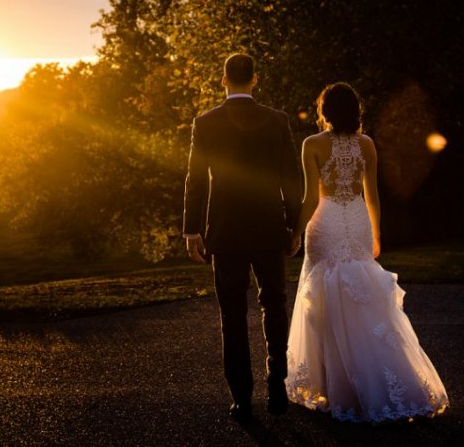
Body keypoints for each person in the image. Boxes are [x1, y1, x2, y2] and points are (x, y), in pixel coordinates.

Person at [286, 82, 449, 423]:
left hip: (326, 221)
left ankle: (334, 388)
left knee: (324, 300)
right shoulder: (367, 144)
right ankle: (376, 384)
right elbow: (372, 197)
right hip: (357, 220)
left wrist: (295, 233)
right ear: (355, 111)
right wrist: (375, 235)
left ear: (324, 111)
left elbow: (311, 199)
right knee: (364, 301)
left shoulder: (311, 144)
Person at [183, 53, 302, 422]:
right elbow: (291, 178)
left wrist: (191, 229)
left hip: (225, 229)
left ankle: (241, 398)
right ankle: (277, 383)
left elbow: (196, 179)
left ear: (223, 80)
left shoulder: (205, 122)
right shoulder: (277, 120)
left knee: (232, 314)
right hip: (268, 226)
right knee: (275, 304)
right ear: (254, 80)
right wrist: (294, 226)